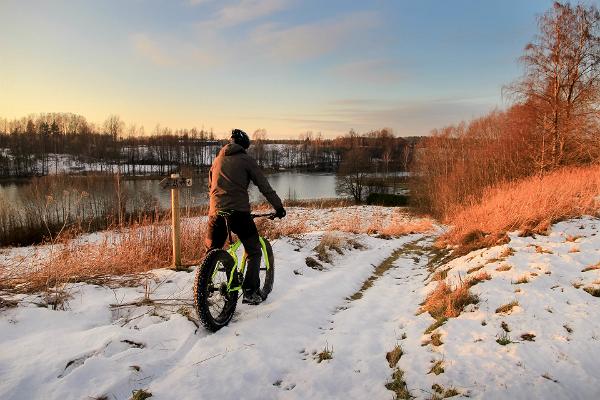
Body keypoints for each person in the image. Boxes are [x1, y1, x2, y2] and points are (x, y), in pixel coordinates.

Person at [205, 129, 286, 305]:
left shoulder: (217, 160)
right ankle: (250, 291)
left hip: (215, 213)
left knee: (211, 252)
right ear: (244, 146)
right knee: (254, 250)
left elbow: (210, 185)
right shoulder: (246, 160)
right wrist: (278, 207)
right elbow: (264, 186)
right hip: (239, 213)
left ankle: (203, 289)